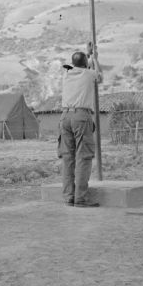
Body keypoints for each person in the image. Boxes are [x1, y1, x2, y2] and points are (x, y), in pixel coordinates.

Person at [59, 42, 103, 208]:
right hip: (81, 116)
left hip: (65, 116)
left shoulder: (67, 74)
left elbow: (82, 66)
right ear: (86, 65)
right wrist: (95, 58)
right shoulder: (88, 74)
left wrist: (88, 54)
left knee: (68, 158)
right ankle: (81, 198)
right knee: (83, 157)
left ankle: (69, 196)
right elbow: (99, 76)